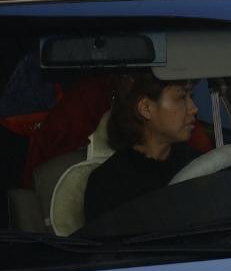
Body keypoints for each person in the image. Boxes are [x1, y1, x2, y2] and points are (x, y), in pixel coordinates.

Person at [82, 71, 201, 227]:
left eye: (191, 97)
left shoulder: (199, 164)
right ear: (145, 108)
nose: (194, 109)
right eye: (181, 97)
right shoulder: (109, 183)